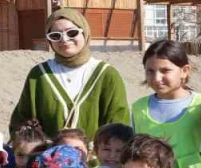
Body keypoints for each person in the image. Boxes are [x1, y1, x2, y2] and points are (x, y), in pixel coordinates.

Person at [10, 8, 129, 138]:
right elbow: (21, 122)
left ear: (85, 32)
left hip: (96, 158)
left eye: (72, 33)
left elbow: (118, 126)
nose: (64, 40)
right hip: (47, 157)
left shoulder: (107, 75)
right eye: (55, 36)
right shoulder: (39, 75)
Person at [131, 40, 201, 168]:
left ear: (184, 70)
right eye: (150, 71)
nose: (157, 78)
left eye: (165, 71)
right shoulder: (139, 108)